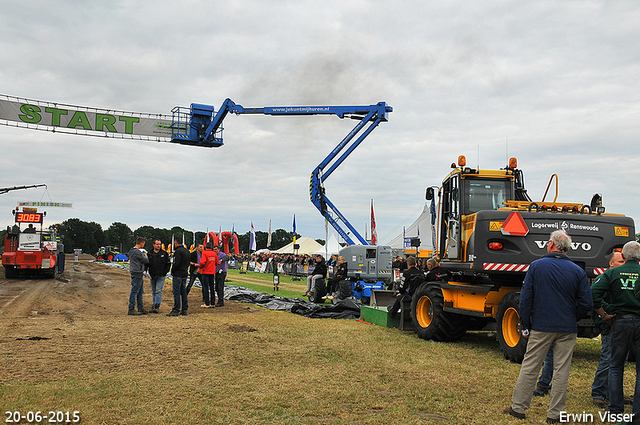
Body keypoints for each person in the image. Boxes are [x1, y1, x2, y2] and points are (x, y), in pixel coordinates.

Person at [504, 230, 593, 424]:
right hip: (567, 327)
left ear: (552, 244)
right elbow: (586, 303)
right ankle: (555, 414)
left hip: (541, 325)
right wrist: (572, 317)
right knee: (562, 370)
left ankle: (518, 408)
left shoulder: (536, 266)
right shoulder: (578, 270)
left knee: (531, 366)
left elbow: (526, 300)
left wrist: (525, 324)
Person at [591, 240, 640, 419]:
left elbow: (593, 293)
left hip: (620, 322)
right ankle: (637, 412)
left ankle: (615, 409)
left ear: (625, 256)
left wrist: (603, 314)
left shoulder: (613, 273)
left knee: (616, 365)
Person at [591, 251, 625, 407]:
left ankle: (614, 394)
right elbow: (595, 299)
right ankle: (598, 393)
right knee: (608, 359)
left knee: (619, 362)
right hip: (610, 325)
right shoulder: (603, 279)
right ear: (611, 264)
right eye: (620, 262)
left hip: (623, 325)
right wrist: (609, 314)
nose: (624, 265)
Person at [167, 236, 190, 316]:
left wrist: (173, 271)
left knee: (176, 292)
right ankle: (184, 309)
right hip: (184, 273)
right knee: (183, 291)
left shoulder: (178, 251)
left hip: (178, 274)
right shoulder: (187, 251)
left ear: (176, 243)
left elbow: (176, 263)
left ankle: (176, 309)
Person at [147, 239, 171, 314]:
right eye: (157, 244)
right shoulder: (149, 254)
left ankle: (157, 306)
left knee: (158, 290)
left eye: (159, 244)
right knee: (154, 291)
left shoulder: (164, 254)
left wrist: (165, 272)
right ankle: (154, 305)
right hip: (152, 275)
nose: (158, 246)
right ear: (153, 245)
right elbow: (146, 263)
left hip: (161, 275)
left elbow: (168, 264)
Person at [127, 237, 149, 315]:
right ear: (141, 243)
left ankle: (140, 308)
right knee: (135, 290)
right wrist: (145, 256)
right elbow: (146, 261)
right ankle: (131, 308)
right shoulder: (137, 252)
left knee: (139, 291)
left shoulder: (131, 251)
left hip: (134, 271)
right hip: (138, 272)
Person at [199, 243, 219, 308]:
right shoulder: (214, 253)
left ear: (205, 247)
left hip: (205, 272)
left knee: (206, 287)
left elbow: (202, 262)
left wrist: (200, 267)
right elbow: (217, 263)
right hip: (212, 272)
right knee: (212, 287)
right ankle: (213, 303)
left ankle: (207, 303)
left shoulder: (204, 253)